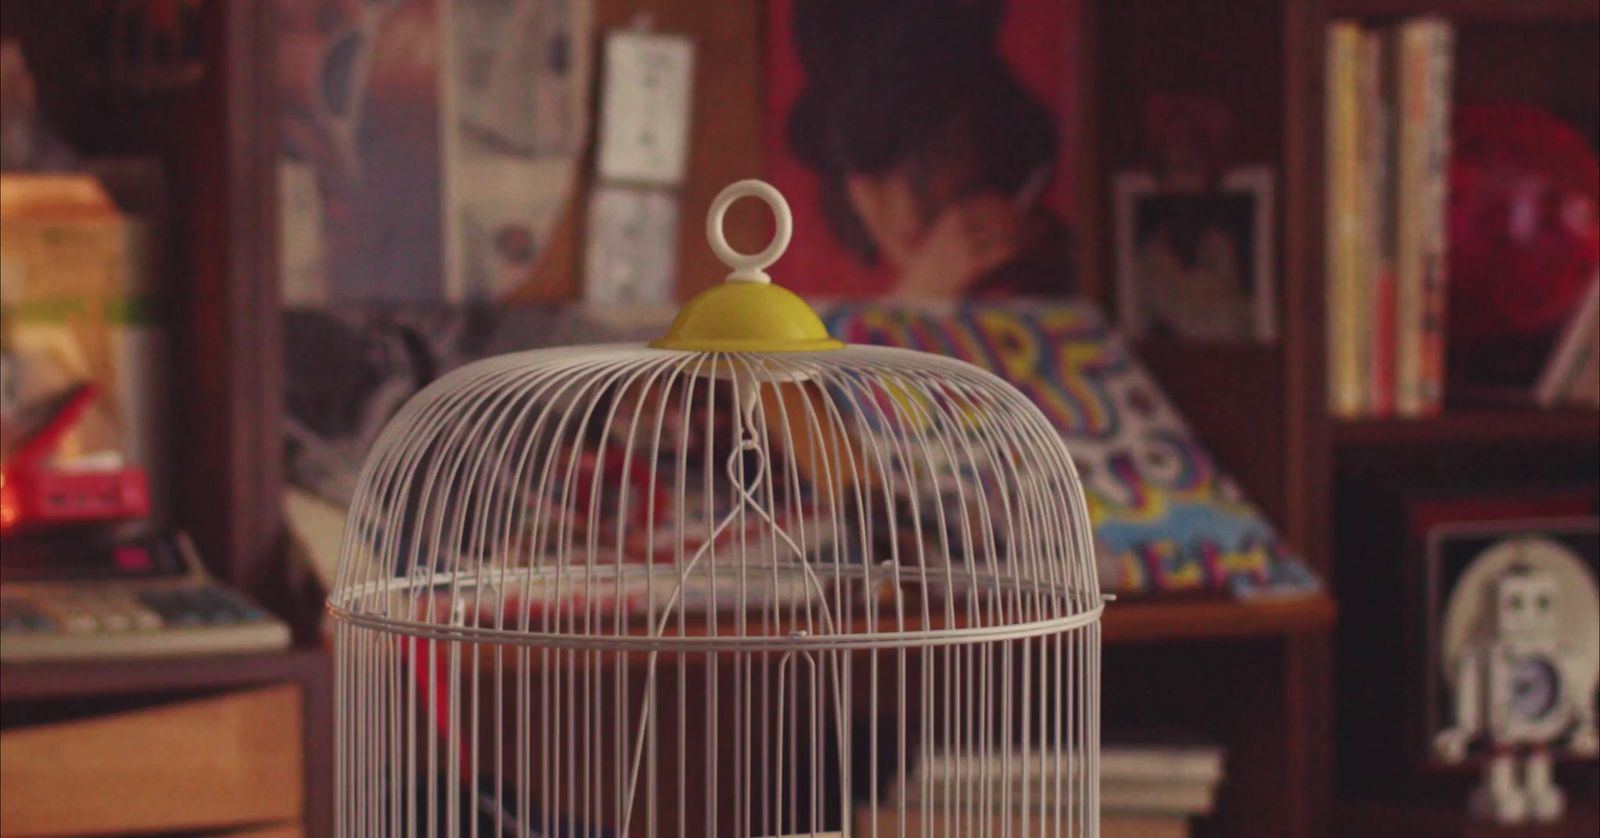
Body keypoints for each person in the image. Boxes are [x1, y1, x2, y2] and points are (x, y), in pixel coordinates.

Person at [784, 0, 1073, 299]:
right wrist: (919, 298)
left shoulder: (1065, 264)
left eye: (935, 159)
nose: (909, 211)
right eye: (875, 175)